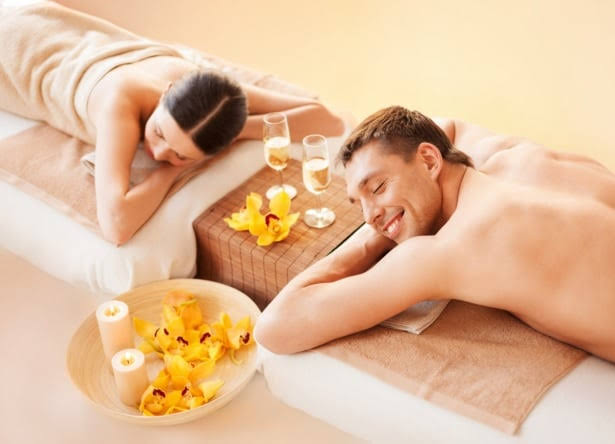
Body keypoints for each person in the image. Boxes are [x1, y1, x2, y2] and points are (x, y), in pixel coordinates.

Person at [255, 106, 615, 363]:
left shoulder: (455, 246)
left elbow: (274, 328)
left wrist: (373, 239)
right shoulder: (507, 156)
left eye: (377, 187)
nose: (369, 216)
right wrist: (387, 209)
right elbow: (443, 127)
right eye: (359, 204)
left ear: (430, 160)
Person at [0, 1, 345, 245]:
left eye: (179, 154)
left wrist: (240, 130)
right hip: (17, 42)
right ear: (168, 92)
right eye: (159, 132)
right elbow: (117, 224)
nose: (157, 150)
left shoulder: (213, 97)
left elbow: (326, 120)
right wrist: (174, 170)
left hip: (51, 33)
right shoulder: (120, 104)